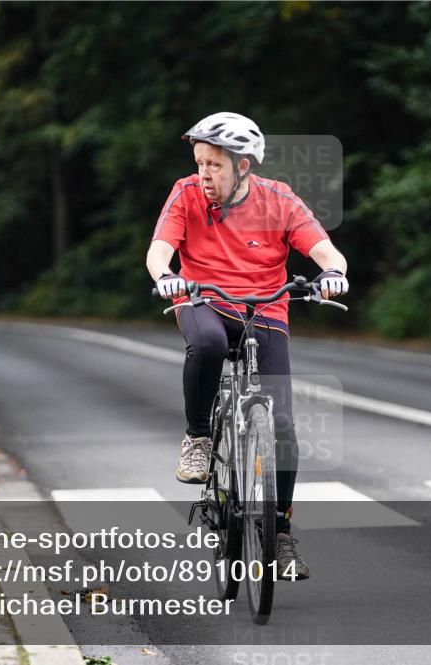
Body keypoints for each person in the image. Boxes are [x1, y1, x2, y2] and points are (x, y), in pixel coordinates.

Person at [145, 112, 349, 580]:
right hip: (202, 300)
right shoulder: (185, 194)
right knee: (209, 344)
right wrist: (167, 276)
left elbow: (325, 250)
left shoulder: (279, 200)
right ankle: (199, 438)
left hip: (265, 308)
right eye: (199, 162)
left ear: (243, 166)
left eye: (214, 165)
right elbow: (159, 250)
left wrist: (333, 273)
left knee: (283, 425)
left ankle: (281, 534)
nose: (204, 173)